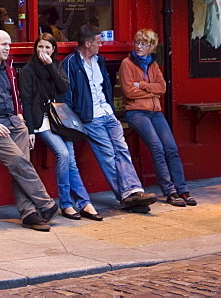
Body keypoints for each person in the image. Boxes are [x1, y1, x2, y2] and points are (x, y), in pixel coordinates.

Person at [0, 29, 59, 231]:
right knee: (18, 161)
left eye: (9, 44)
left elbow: (16, 96)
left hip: (14, 123)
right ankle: (46, 203)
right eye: (4, 44)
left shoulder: (9, 67)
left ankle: (29, 213)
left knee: (20, 164)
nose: (8, 48)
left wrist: (22, 120)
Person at [61, 25, 157, 212]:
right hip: (90, 117)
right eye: (98, 42)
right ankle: (127, 196)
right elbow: (67, 93)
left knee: (122, 150)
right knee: (108, 155)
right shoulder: (71, 62)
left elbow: (106, 87)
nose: (102, 45)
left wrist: (111, 109)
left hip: (107, 113)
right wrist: (78, 117)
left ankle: (134, 191)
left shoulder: (99, 60)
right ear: (88, 44)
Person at [19, 33, 103, 221]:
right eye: (40, 47)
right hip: (42, 121)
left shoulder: (56, 66)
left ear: (53, 50)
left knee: (71, 160)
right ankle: (66, 203)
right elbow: (25, 100)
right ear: (35, 49)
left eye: (47, 48)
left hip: (60, 119)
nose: (43, 51)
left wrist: (50, 65)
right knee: (63, 154)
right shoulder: (28, 70)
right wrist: (30, 130)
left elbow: (64, 88)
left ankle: (83, 202)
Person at [119, 28, 197, 207]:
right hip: (136, 112)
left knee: (171, 148)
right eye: (137, 42)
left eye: (144, 44)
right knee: (157, 147)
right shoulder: (127, 63)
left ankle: (182, 189)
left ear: (151, 46)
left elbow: (162, 88)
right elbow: (129, 92)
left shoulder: (152, 64)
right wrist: (151, 92)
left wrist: (143, 85)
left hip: (155, 112)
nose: (139, 47)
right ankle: (170, 192)